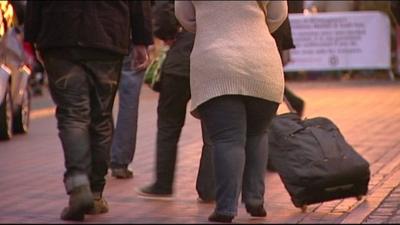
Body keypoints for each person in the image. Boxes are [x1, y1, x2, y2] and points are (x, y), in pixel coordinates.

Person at [24, 1, 153, 221]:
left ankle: (78, 183)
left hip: (59, 34)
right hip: (108, 33)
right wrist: (141, 39)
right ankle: (94, 193)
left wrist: (31, 34)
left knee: (72, 114)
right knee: (101, 116)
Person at [175, 1, 287, 223]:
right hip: (262, 62)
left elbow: (185, 17)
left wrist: (213, 24)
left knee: (227, 139)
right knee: (258, 134)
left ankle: (226, 208)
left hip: (215, 62)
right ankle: (255, 200)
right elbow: (278, 14)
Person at [137, 0, 205, 200]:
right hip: (212, 58)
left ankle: (163, 184)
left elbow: (163, 8)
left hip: (180, 58)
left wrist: (167, 34)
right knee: (213, 128)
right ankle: (209, 188)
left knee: (168, 125)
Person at [110, 45, 146, 179]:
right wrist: (143, 42)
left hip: (94, 41)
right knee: (129, 102)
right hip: (127, 38)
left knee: (100, 100)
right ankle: (120, 161)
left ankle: (99, 155)